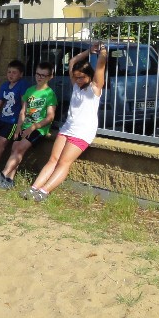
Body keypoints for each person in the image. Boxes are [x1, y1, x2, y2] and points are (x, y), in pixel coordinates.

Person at [23, 45, 107, 202]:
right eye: (76, 77)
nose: (78, 80)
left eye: (81, 77)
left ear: (89, 75)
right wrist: (89, 51)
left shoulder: (95, 88)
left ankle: (44, 192)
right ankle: (33, 188)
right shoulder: (76, 86)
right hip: (67, 128)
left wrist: (102, 53)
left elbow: (101, 66)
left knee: (63, 162)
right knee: (53, 159)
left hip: (82, 132)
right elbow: (73, 61)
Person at [0, 61, 57, 190]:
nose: (39, 77)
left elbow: (50, 117)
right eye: (37, 74)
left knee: (19, 149)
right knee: (15, 149)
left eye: (43, 75)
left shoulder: (50, 94)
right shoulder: (30, 90)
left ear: (50, 77)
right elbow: (23, 111)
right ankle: (9, 180)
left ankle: (3, 175)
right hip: (25, 126)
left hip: (38, 128)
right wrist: (19, 127)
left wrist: (33, 127)